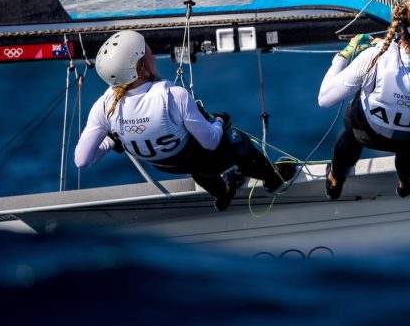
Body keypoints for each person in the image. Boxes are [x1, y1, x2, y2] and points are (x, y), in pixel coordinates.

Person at [74, 30, 296, 210]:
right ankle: (274, 179)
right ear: (140, 66)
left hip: (166, 166)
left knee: (196, 162)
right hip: (198, 158)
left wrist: (112, 141)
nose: (152, 56)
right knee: (237, 140)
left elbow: (82, 160)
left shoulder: (103, 106)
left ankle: (222, 194)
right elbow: (211, 142)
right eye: (148, 53)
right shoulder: (171, 95)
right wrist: (219, 122)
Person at [318, 0, 410, 199]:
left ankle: (335, 180)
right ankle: (406, 182)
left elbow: (324, 99)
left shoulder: (374, 56)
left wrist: (344, 55)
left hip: (365, 134)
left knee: (352, 128)